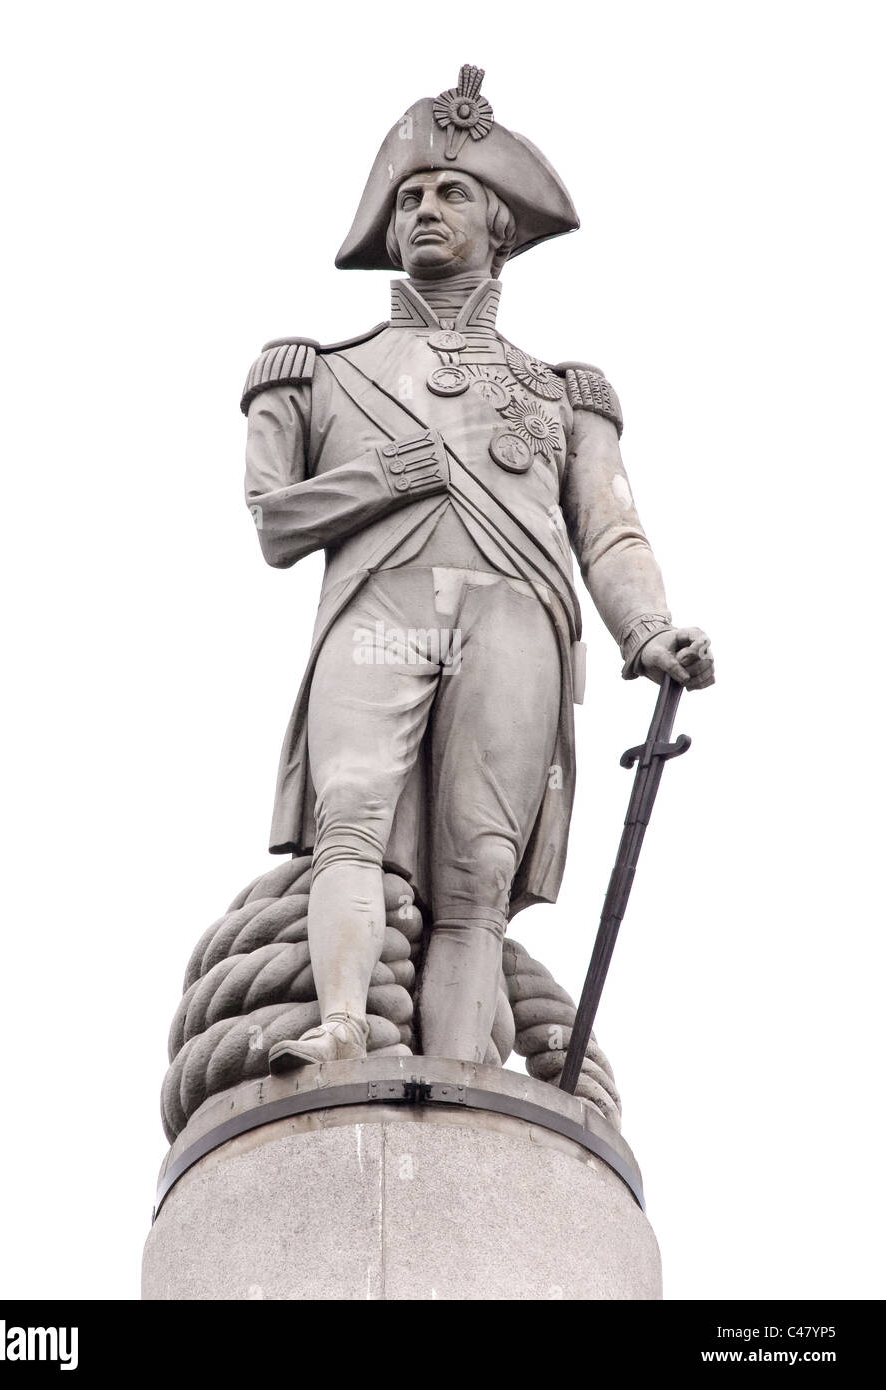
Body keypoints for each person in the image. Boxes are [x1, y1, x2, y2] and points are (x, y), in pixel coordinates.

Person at [239, 66, 713, 1071]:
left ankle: (457, 1079)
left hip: (517, 618)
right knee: (352, 807)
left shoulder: (562, 392)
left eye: (449, 193)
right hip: (382, 607)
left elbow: (609, 530)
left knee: (479, 870)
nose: (423, 211)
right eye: (408, 198)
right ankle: (337, 1029)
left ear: (496, 223)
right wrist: (388, 474)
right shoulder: (316, 370)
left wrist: (645, 629)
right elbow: (277, 522)